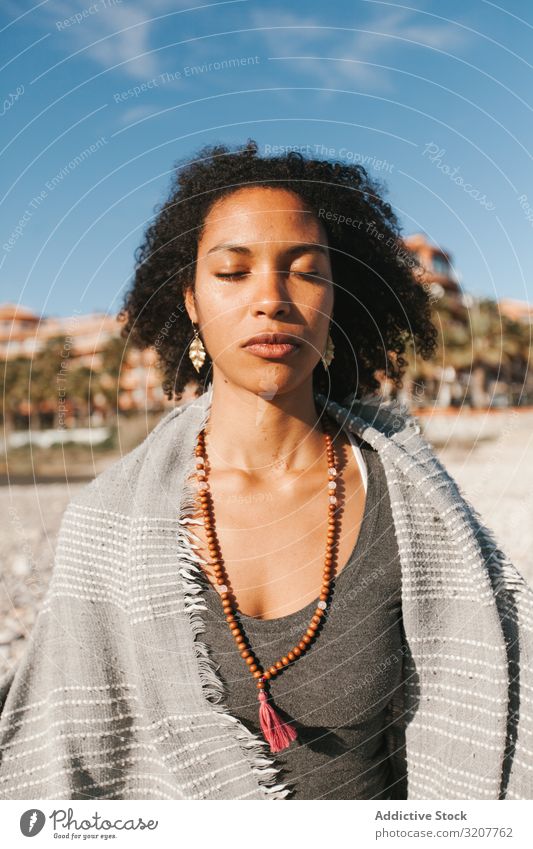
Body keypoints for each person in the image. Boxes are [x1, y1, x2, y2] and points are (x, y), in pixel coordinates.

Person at [1, 140, 532, 801]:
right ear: (190, 299)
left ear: (338, 297)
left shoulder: (414, 505)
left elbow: (497, 710)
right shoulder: (108, 519)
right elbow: (59, 753)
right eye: (232, 272)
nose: (271, 299)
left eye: (305, 272)